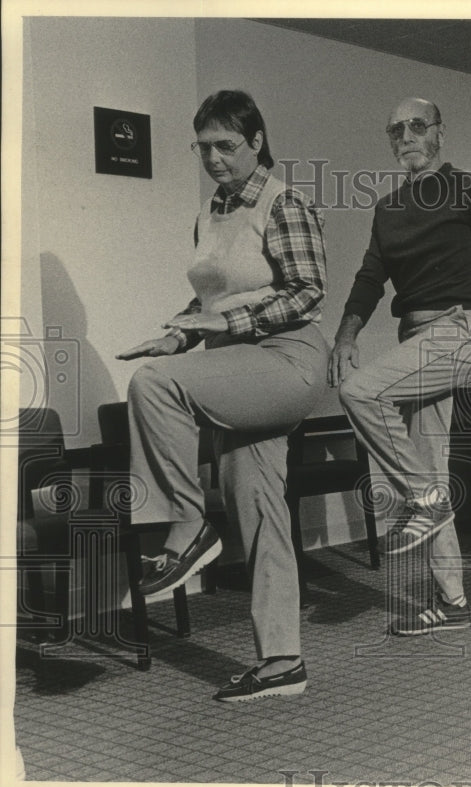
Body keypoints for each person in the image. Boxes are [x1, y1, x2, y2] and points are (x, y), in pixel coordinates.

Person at [117, 90, 328, 701]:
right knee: (259, 509)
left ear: (256, 142)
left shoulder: (284, 201)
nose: (212, 157)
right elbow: (211, 303)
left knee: (152, 388)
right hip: (237, 368)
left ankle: (187, 525)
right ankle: (283, 663)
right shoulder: (212, 210)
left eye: (225, 145)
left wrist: (225, 326)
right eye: (202, 146)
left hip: (285, 361)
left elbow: (309, 291)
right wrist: (179, 334)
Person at [331, 97, 471, 636]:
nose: (406, 136)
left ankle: (424, 500)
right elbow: (369, 279)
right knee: (427, 463)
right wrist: (345, 335)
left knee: (361, 393)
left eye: (416, 126)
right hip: (418, 338)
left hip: (463, 331)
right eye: (395, 130)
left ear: (439, 133)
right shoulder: (387, 209)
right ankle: (452, 601)